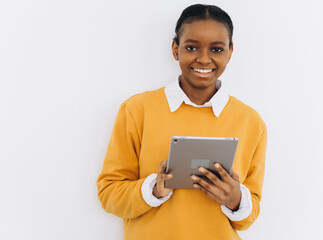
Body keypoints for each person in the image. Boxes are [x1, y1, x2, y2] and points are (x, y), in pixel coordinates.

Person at [97, 4, 267, 240]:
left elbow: (250, 215)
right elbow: (109, 195)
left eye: (216, 49)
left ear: (230, 52)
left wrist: (235, 199)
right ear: (176, 49)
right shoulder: (137, 110)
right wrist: (154, 189)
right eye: (191, 47)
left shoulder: (250, 121)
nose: (204, 59)